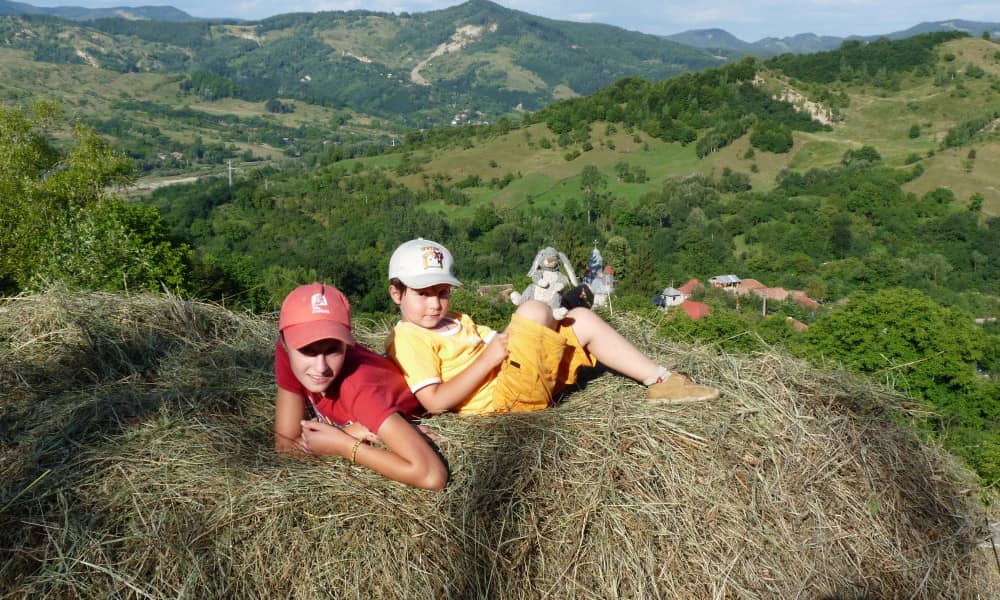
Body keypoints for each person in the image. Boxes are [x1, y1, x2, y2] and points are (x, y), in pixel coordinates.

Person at [384, 238, 720, 416]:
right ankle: (555, 310)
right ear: (396, 292)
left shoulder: (455, 321)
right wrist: (489, 359)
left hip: (516, 377)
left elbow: (500, 341)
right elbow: (435, 402)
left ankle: (660, 380)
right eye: (422, 294)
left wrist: (518, 338)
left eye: (442, 293)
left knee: (581, 319)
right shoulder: (409, 337)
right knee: (532, 308)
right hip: (502, 398)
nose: (434, 303)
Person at [274, 282, 447, 490]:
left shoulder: (359, 388)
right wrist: (350, 431)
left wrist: (344, 445)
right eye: (307, 350)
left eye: (333, 350)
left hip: (380, 407)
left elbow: (432, 475)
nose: (320, 367)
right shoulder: (287, 353)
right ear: (284, 343)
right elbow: (285, 444)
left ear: (348, 344)